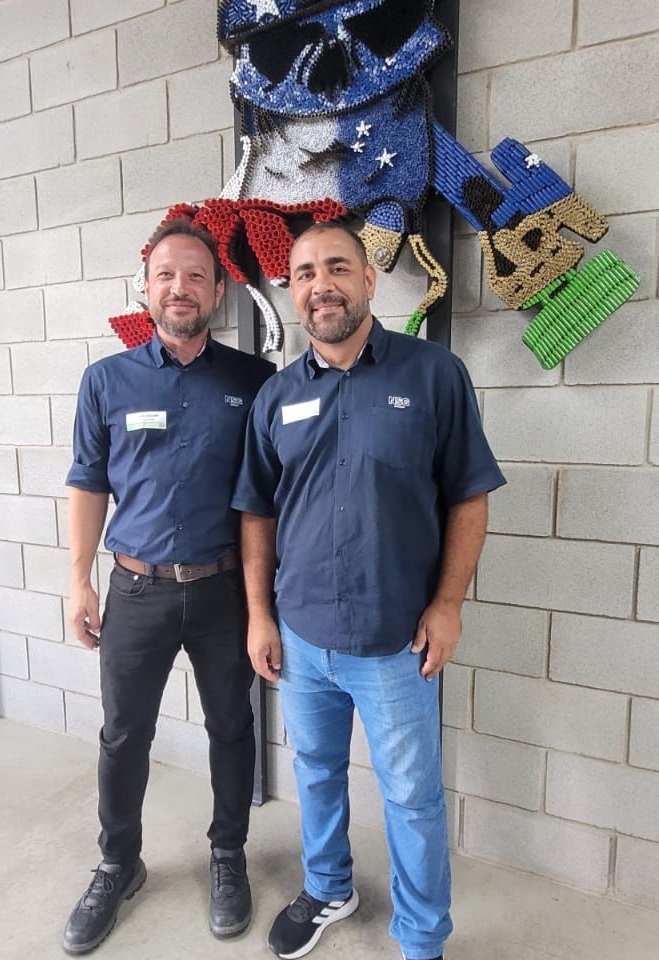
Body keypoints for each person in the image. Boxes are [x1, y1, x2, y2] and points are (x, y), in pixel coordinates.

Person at [231, 222, 506, 960]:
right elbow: (256, 512)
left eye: (337, 267)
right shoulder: (277, 395)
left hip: (395, 639)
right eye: (305, 273)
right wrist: (260, 615)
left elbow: (470, 497)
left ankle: (421, 938)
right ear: (292, 291)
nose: (321, 285)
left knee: (412, 798)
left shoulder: (434, 374)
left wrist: (448, 605)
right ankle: (328, 886)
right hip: (301, 634)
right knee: (315, 772)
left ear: (369, 279)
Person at [62, 219, 274, 955]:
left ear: (218, 291)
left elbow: (268, 498)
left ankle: (228, 855)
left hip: (223, 593)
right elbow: (88, 483)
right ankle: (118, 863)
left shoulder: (254, 382)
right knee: (124, 735)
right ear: (146, 288)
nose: (179, 287)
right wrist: (78, 581)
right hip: (136, 591)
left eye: (195, 276)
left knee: (232, 727)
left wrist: (264, 602)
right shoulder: (107, 382)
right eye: (165, 275)